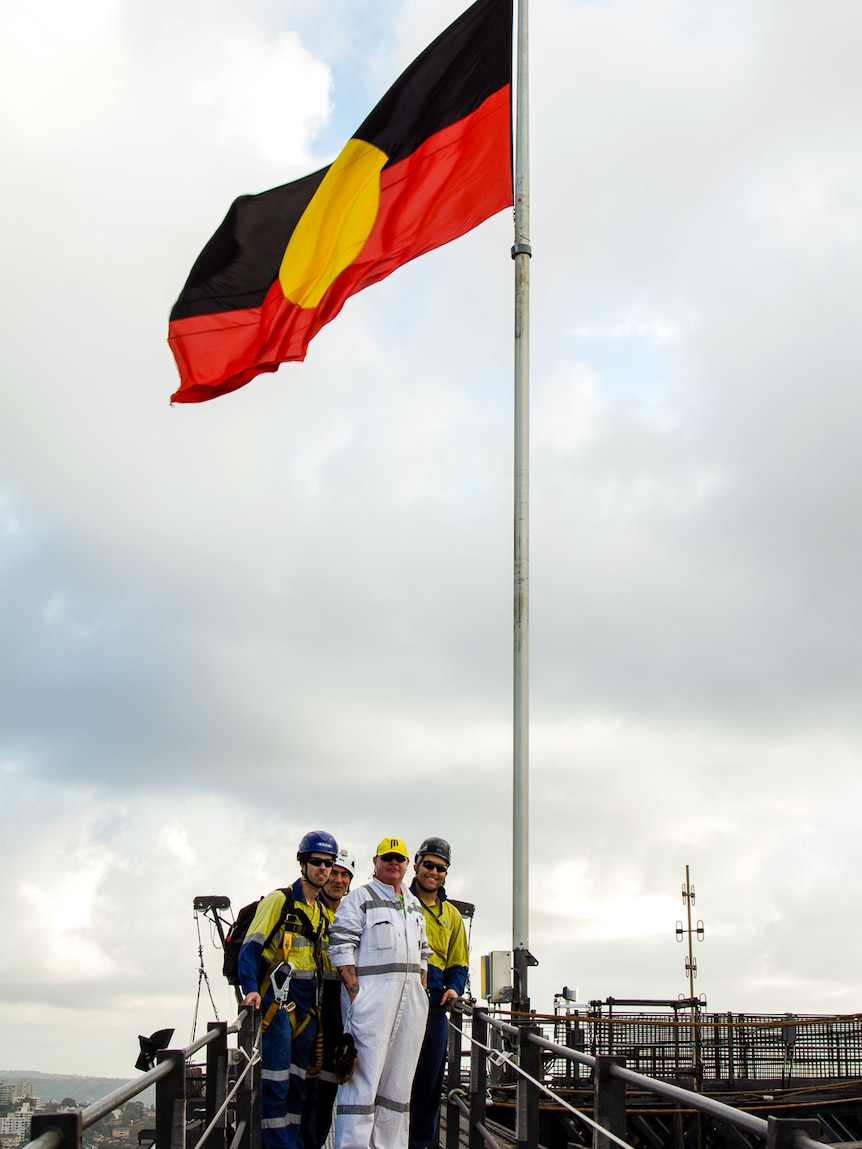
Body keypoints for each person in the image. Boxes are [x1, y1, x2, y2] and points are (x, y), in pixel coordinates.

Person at [238, 831, 339, 1149]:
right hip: (276, 1004)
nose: (323, 869)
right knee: (276, 1082)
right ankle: (277, 1145)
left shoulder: (322, 914)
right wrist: (251, 989)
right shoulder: (279, 901)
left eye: (328, 863)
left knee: (298, 1085)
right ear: (302, 863)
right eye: (316, 862)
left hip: (307, 1010)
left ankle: (292, 1142)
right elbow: (250, 948)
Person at [328, 837, 431, 1149]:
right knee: (362, 1081)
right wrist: (357, 996)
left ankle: (389, 1145)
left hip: (410, 1002)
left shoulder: (414, 904)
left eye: (398, 859)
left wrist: (421, 988)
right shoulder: (358, 899)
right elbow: (341, 945)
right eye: (387, 858)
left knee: (398, 1084)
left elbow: (424, 951)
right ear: (375, 862)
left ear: (406, 865)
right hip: (372, 1003)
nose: (393, 864)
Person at [408, 837, 469, 1149]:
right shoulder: (397, 904)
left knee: (429, 1081)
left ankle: (418, 1144)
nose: (433, 872)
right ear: (416, 864)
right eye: (428, 864)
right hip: (400, 997)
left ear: (446, 873)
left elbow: (459, 964)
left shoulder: (453, 917)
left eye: (440, 868)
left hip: (433, 1002)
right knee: (391, 1077)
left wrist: (454, 988)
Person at [303, 846, 356, 1149]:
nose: (337, 880)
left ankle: (317, 1140)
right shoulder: (308, 908)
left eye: (344, 875)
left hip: (338, 1013)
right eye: (333, 873)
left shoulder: (352, 914)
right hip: (309, 1008)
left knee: (327, 1090)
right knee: (306, 1089)